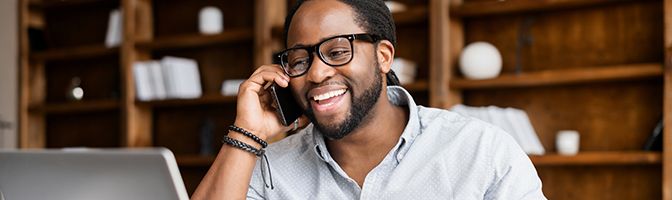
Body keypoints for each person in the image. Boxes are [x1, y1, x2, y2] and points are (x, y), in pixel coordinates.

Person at [191, 0, 546, 199]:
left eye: (338, 51)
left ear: (384, 57)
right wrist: (245, 133)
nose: (316, 74)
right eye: (300, 60)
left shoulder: (480, 151)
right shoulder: (267, 167)